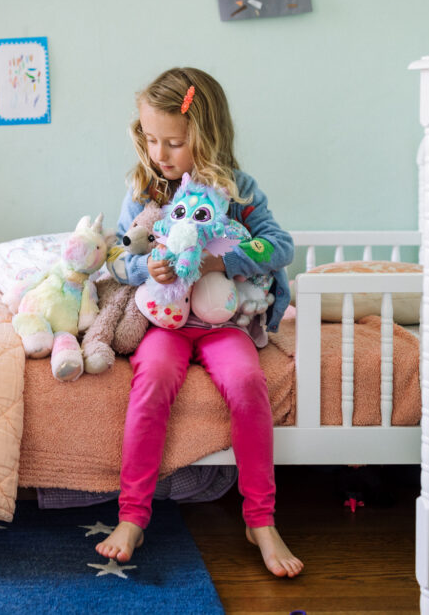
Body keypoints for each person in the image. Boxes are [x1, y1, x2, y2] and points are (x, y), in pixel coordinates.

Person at [94, 67, 303, 578]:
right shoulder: (144, 189)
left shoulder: (238, 189)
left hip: (223, 322)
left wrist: (221, 261)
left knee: (248, 382)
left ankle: (260, 519)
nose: (159, 153)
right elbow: (117, 259)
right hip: (165, 325)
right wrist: (149, 267)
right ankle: (133, 515)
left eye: (174, 143)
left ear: (206, 139)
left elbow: (281, 247)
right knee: (153, 382)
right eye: (150, 139)